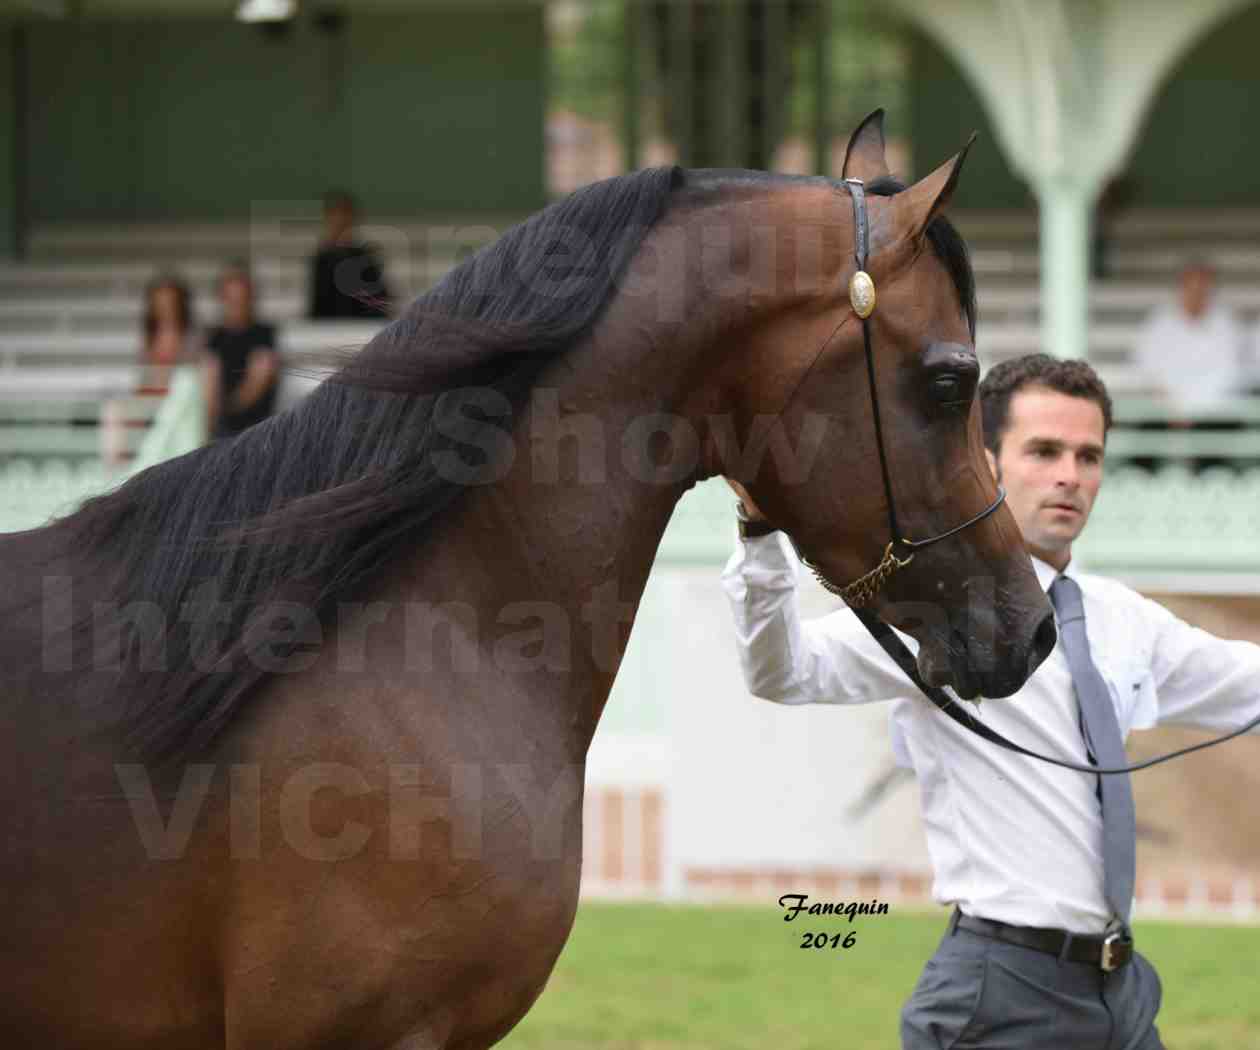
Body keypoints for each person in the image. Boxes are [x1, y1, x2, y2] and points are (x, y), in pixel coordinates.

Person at [722, 353, 1260, 1049]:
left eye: (1088, 455)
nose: (1070, 474)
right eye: (1044, 451)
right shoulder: (936, 605)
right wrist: (760, 532)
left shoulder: (1126, 619)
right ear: (986, 462)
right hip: (1000, 992)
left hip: (1119, 995)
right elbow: (783, 672)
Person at [103, 274, 201, 466]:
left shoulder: (191, 337)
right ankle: (116, 469)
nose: (164, 306)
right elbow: (143, 379)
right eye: (159, 301)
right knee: (114, 409)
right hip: (150, 400)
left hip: (178, 402)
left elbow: (189, 376)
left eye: (169, 300)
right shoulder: (148, 338)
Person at [203, 262, 280, 440]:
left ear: (250, 298)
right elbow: (209, 385)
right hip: (222, 429)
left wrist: (227, 409)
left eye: (240, 298)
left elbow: (258, 382)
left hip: (258, 428)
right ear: (222, 299)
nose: (236, 304)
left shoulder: (264, 334)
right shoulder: (215, 338)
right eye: (231, 298)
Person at [307, 189, 391, 319]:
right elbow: (318, 305)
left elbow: (378, 303)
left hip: (361, 330)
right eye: (334, 215)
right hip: (328, 330)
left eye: (345, 215)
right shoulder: (322, 259)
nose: (340, 221)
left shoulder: (366, 258)